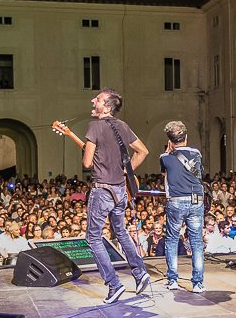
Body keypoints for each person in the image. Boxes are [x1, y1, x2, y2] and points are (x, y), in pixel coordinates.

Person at [82, 88, 151, 303]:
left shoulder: (94, 126)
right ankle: (140, 274)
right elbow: (143, 151)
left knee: (93, 237)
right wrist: (125, 170)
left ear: (107, 108)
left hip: (102, 189)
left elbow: (87, 163)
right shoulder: (123, 126)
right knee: (120, 231)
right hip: (121, 189)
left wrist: (87, 149)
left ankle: (114, 285)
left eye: (99, 100)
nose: (94, 100)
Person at [160, 120, 205, 293]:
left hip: (176, 201)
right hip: (195, 200)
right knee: (196, 242)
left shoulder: (164, 157)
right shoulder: (196, 152)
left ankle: (172, 280)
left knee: (171, 240)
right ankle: (198, 283)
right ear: (186, 136)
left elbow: (165, 173)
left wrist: (168, 150)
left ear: (169, 140)